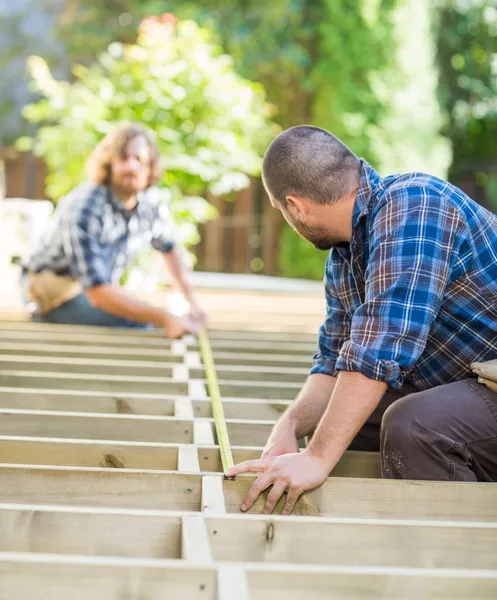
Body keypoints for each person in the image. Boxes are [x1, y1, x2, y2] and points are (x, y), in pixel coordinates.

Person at [226, 125, 497, 514]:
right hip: (474, 387)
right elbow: (334, 364)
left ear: (296, 206)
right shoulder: (344, 258)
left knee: (415, 426)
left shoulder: (415, 206)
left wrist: (316, 458)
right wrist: (289, 427)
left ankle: (454, 563)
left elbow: (380, 348)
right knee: (344, 426)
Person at [24, 122, 204, 338]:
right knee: (134, 323)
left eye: (139, 159)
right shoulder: (86, 207)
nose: (131, 166)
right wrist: (165, 317)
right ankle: (44, 314)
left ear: (150, 166)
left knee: (142, 316)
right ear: (109, 164)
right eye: (124, 158)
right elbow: (99, 293)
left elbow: (169, 249)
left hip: (93, 288)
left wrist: (191, 302)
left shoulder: (151, 203)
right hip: (51, 289)